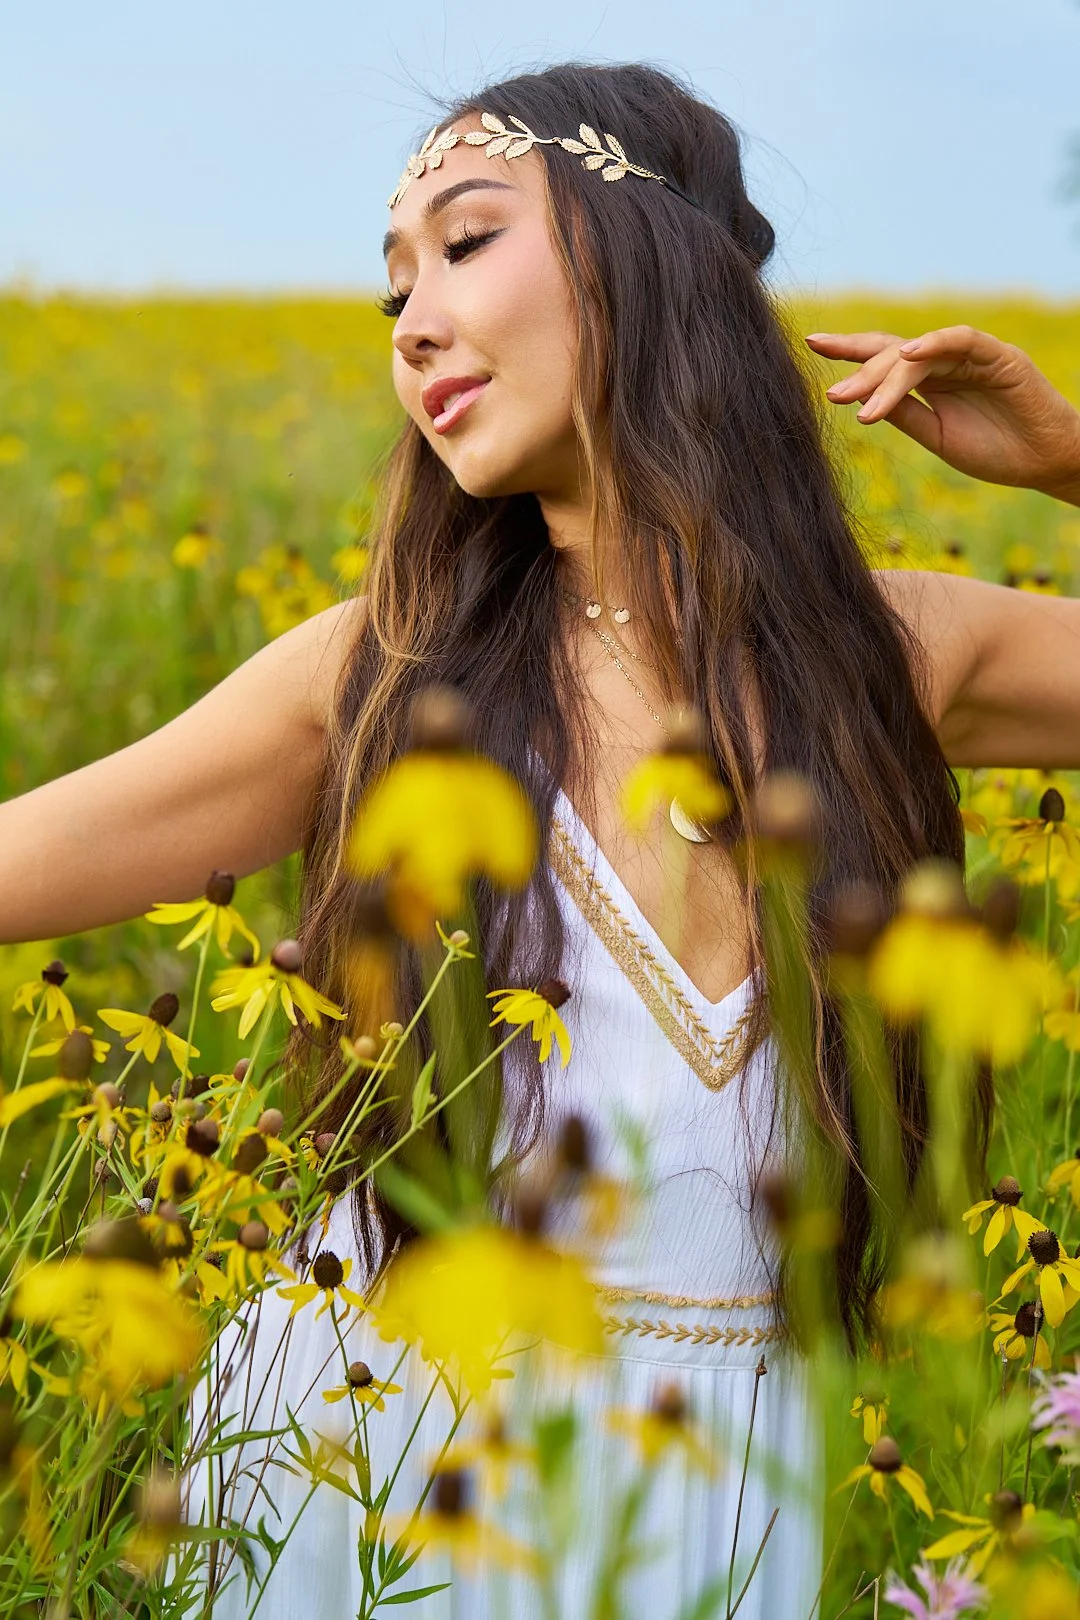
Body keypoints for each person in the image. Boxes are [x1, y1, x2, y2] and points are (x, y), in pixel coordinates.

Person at [4, 58, 1080, 1620]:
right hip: (376, 1469)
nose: (412, 322)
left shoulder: (894, 657)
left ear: (646, 258)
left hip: (719, 1486)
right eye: (391, 289)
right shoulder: (375, 674)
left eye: (463, 241)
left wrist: (1069, 463)